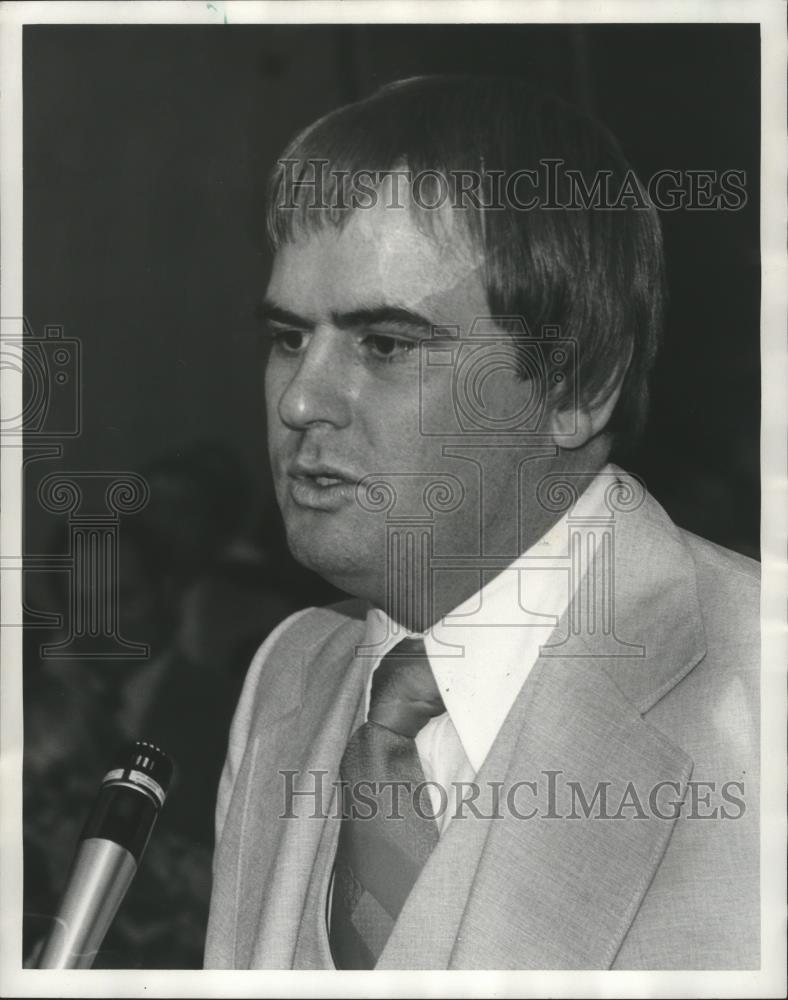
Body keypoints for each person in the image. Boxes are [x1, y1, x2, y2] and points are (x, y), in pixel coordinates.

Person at [204, 76, 759, 970]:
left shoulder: (761, 685)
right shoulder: (289, 677)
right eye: (287, 337)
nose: (301, 399)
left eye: (385, 344)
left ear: (579, 384)